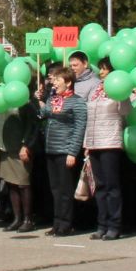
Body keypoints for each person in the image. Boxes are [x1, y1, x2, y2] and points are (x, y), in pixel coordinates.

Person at [39, 64, 86, 236]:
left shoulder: (77, 102)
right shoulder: (53, 100)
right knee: (55, 189)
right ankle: (57, 222)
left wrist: (72, 152)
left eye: (58, 79)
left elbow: (79, 128)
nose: (54, 83)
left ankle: (66, 223)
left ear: (68, 82)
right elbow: (41, 115)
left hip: (65, 150)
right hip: (51, 149)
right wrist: (39, 100)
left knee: (65, 190)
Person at [82, 71, 128, 241]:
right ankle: (102, 225)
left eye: (105, 69)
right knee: (99, 187)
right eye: (100, 69)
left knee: (112, 186)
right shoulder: (95, 91)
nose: (102, 73)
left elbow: (125, 112)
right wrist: (86, 144)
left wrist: (122, 95)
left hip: (110, 143)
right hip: (94, 144)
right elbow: (89, 118)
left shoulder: (119, 91)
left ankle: (114, 226)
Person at [0, 82, 40, 231]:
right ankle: (17, 218)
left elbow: (33, 126)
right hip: (4, 146)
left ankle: (28, 219)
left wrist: (26, 145)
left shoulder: (26, 102)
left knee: (23, 183)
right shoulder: (2, 96)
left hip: (19, 148)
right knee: (11, 184)